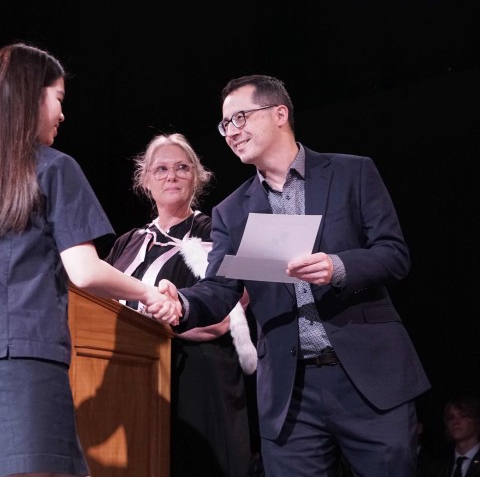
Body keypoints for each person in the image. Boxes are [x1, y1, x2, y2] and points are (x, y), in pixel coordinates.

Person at [153, 74, 432, 476]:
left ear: (280, 113)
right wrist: (180, 301)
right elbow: (219, 288)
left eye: (241, 117)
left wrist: (337, 267)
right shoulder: (232, 211)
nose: (231, 132)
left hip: (368, 383)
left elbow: (394, 254)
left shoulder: (352, 173)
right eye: (225, 124)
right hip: (291, 394)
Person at [0, 42, 171, 477]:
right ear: (32, 95)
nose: (62, 114)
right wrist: (151, 293)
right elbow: (84, 270)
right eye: (58, 99)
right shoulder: (53, 167)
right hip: (26, 359)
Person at [104, 132, 257, 477]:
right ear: (145, 180)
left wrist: (166, 318)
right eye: (160, 169)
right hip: (134, 378)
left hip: (200, 378)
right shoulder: (127, 242)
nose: (171, 176)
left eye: (181, 168)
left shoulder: (218, 232)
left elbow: (228, 312)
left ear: (197, 177)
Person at [423, 395, 480, 477]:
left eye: (463, 416)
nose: (455, 421)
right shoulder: (437, 466)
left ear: (476, 420)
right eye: (451, 417)